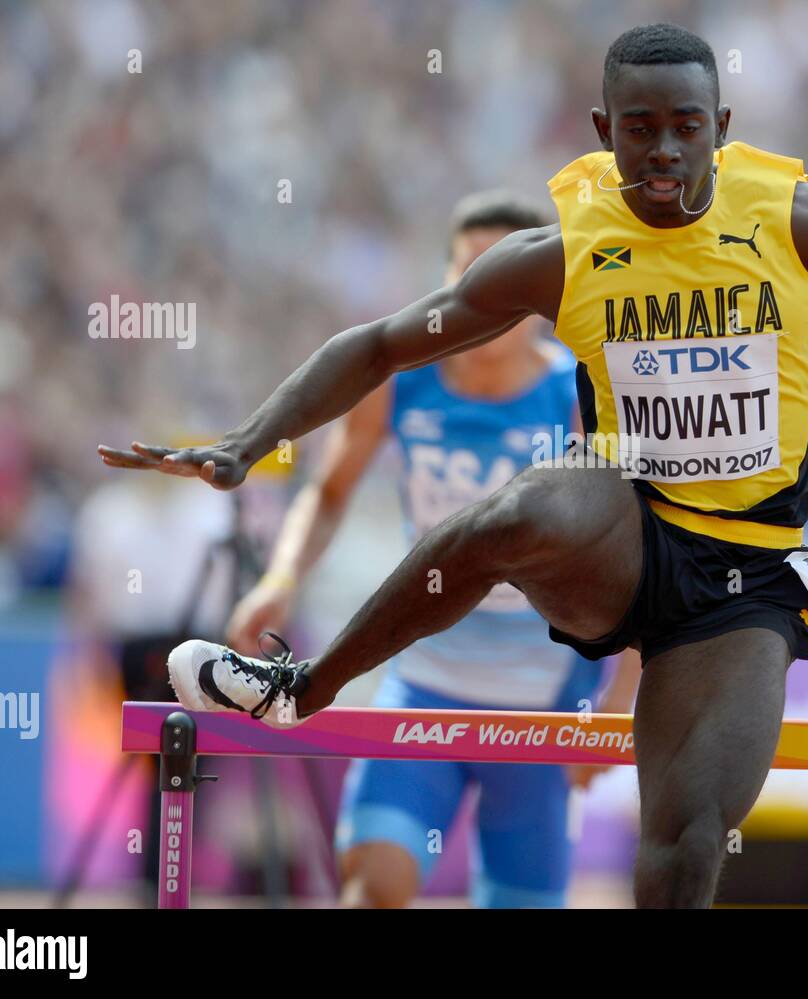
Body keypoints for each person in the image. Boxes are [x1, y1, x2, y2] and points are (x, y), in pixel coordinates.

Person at [99, 22, 808, 908]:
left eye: (686, 127)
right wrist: (250, 441)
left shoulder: (805, 225)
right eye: (640, 128)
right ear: (602, 128)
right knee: (517, 515)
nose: (663, 151)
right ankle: (299, 687)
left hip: (745, 571)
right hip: (626, 526)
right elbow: (383, 345)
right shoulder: (566, 252)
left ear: (721, 124)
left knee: (686, 844)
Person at [223, 191, 640, 908]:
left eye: (505, 279)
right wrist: (282, 577)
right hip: (424, 679)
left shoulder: (579, 393)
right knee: (372, 888)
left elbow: (639, 551)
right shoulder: (396, 383)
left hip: (546, 700)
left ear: (539, 294)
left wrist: (619, 702)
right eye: (469, 273)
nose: (486, 298)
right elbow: (327, 492)